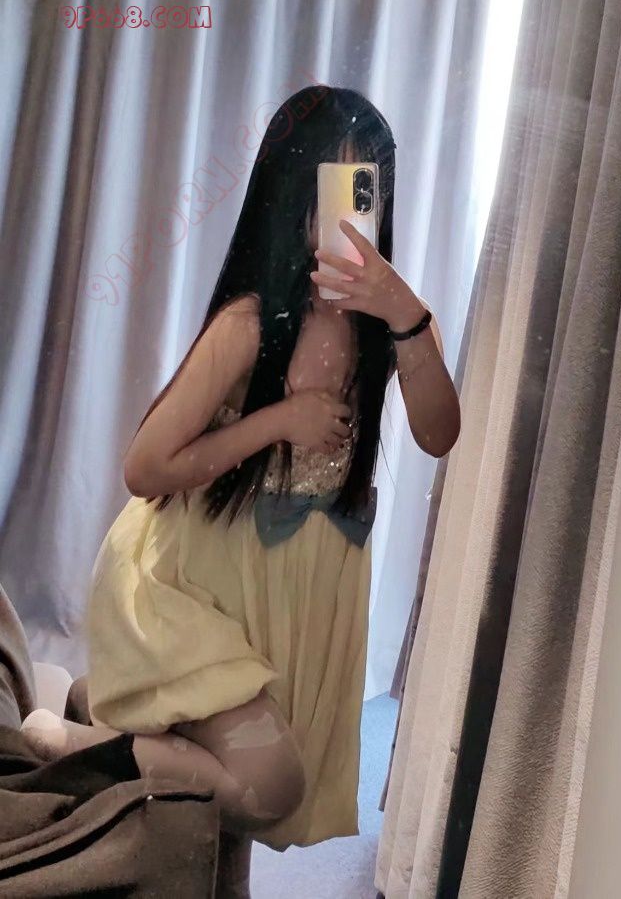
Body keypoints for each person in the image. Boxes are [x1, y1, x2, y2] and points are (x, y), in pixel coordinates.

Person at [21, 85, 461, 893]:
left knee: (246, 790)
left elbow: (440, 433)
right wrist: (278, 420)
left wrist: (406, 315)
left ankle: (122, 723)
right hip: (192, 582)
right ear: (293, 193)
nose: (354, 212)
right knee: (270, 783)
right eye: (337, 185)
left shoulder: (397, 324)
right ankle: (91, 746)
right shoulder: (251, 325)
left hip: (294, 588)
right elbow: (145, 468)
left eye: (368, 187)